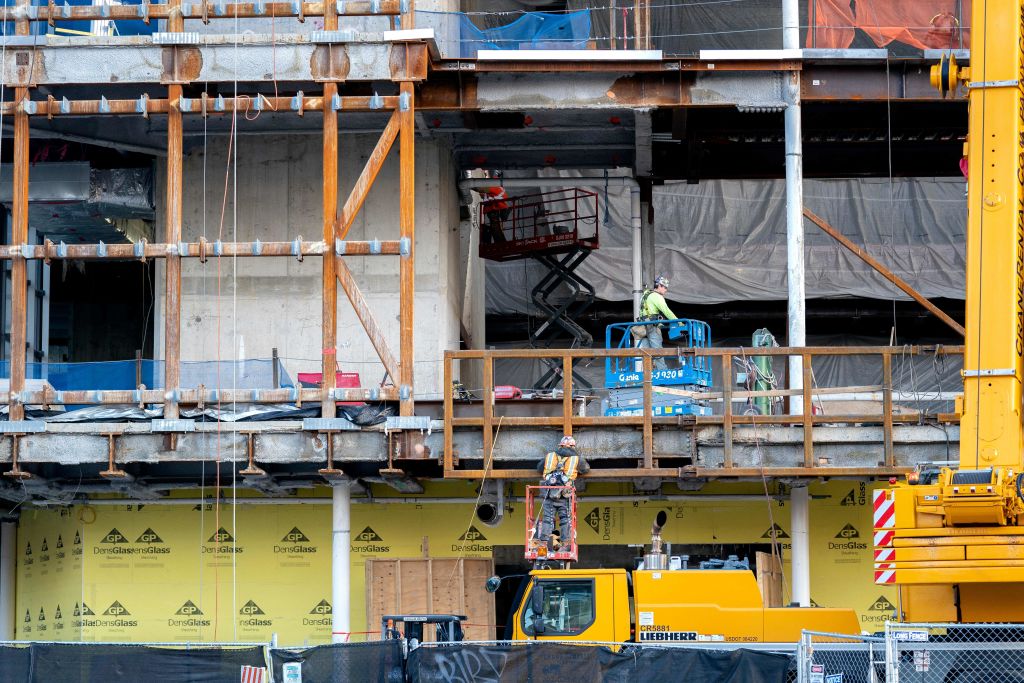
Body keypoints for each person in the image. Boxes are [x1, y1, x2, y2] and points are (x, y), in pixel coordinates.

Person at [536, 435, 589, 551]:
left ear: (560, 446)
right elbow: (585, 469)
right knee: (565, 519)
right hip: (565, 495)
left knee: (548, 519)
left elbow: (539, 468)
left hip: (549, 494)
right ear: (573, 447)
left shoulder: (550, 456)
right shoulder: (576, 459)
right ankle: (566, 544)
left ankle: (543, 543)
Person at [636, 275, 678, 370]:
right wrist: (679, 323)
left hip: (642, 328)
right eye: (665, 287)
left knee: (646, 353)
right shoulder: (657, 296)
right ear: (659, 286)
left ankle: (648, 374)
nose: (666, 290)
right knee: (658, 352)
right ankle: (663, 373)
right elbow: (667, 311)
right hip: (652, 326)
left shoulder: (644, 296)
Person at [480, 173, 510, 244]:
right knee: (496, 228)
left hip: (495, 210)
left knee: (495, 228)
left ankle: (500, 243)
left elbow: (482, 189)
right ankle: (500, 242)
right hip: (498, 209)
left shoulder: (495, 187)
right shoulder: (500, 189)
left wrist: (472, 185)